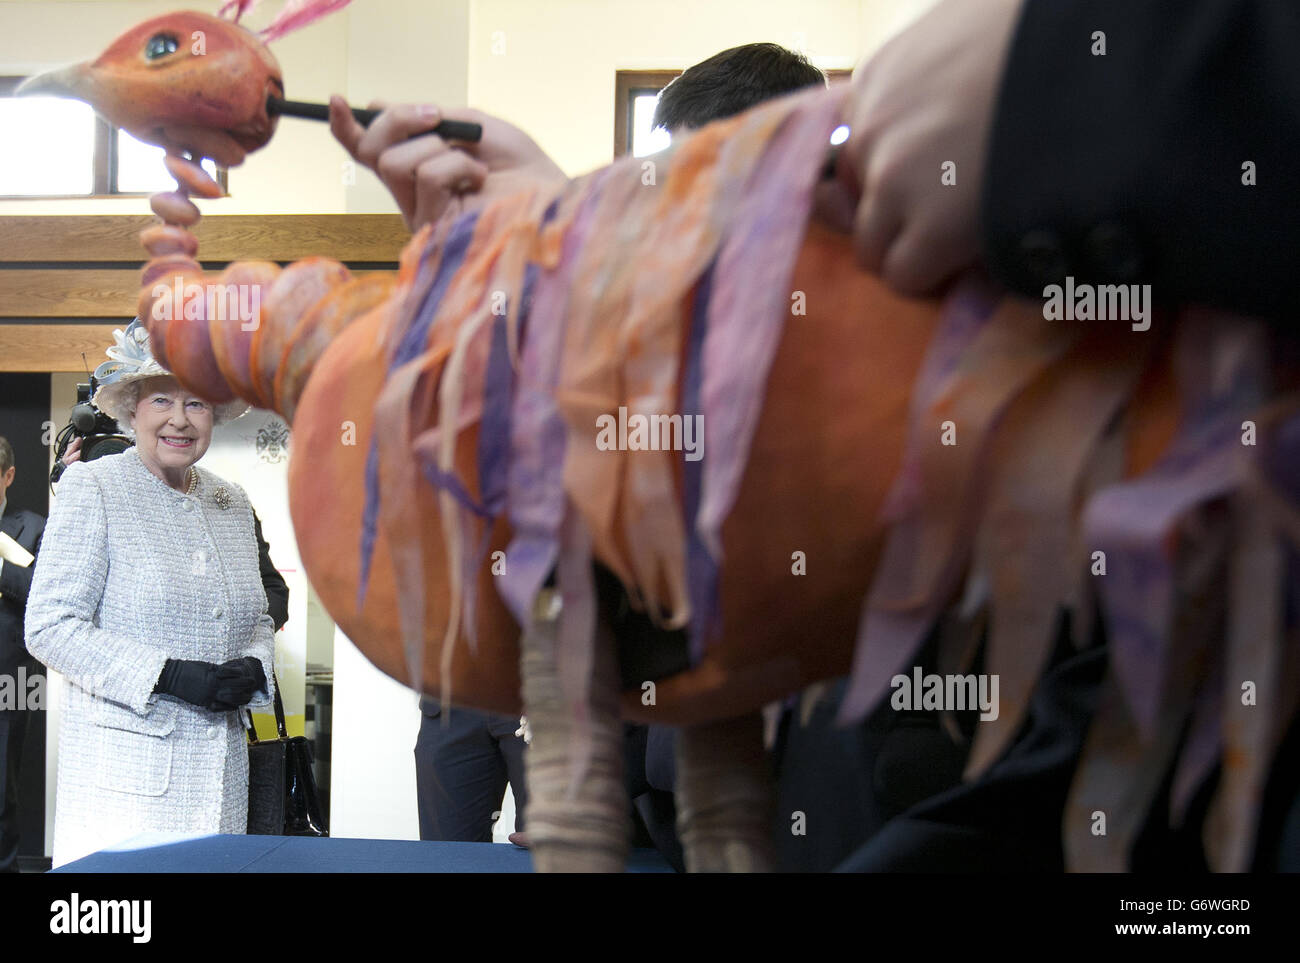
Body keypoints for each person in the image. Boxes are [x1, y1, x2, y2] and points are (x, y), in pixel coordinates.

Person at [25, 319, 276, 867]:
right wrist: (166, 674)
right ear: (132, 410)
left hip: (223, 779)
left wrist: (256, 666)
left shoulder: (230, 501)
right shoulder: (93, 487)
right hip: (124, 784)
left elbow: (258, 615)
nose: (180, 420)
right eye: (162, 400)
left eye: (198, 404)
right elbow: (49, 626)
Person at [0, 436, 45, 873]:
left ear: (8, 476)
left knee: (1, 793)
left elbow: (46, 597)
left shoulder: (33, 527)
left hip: (10, 683)